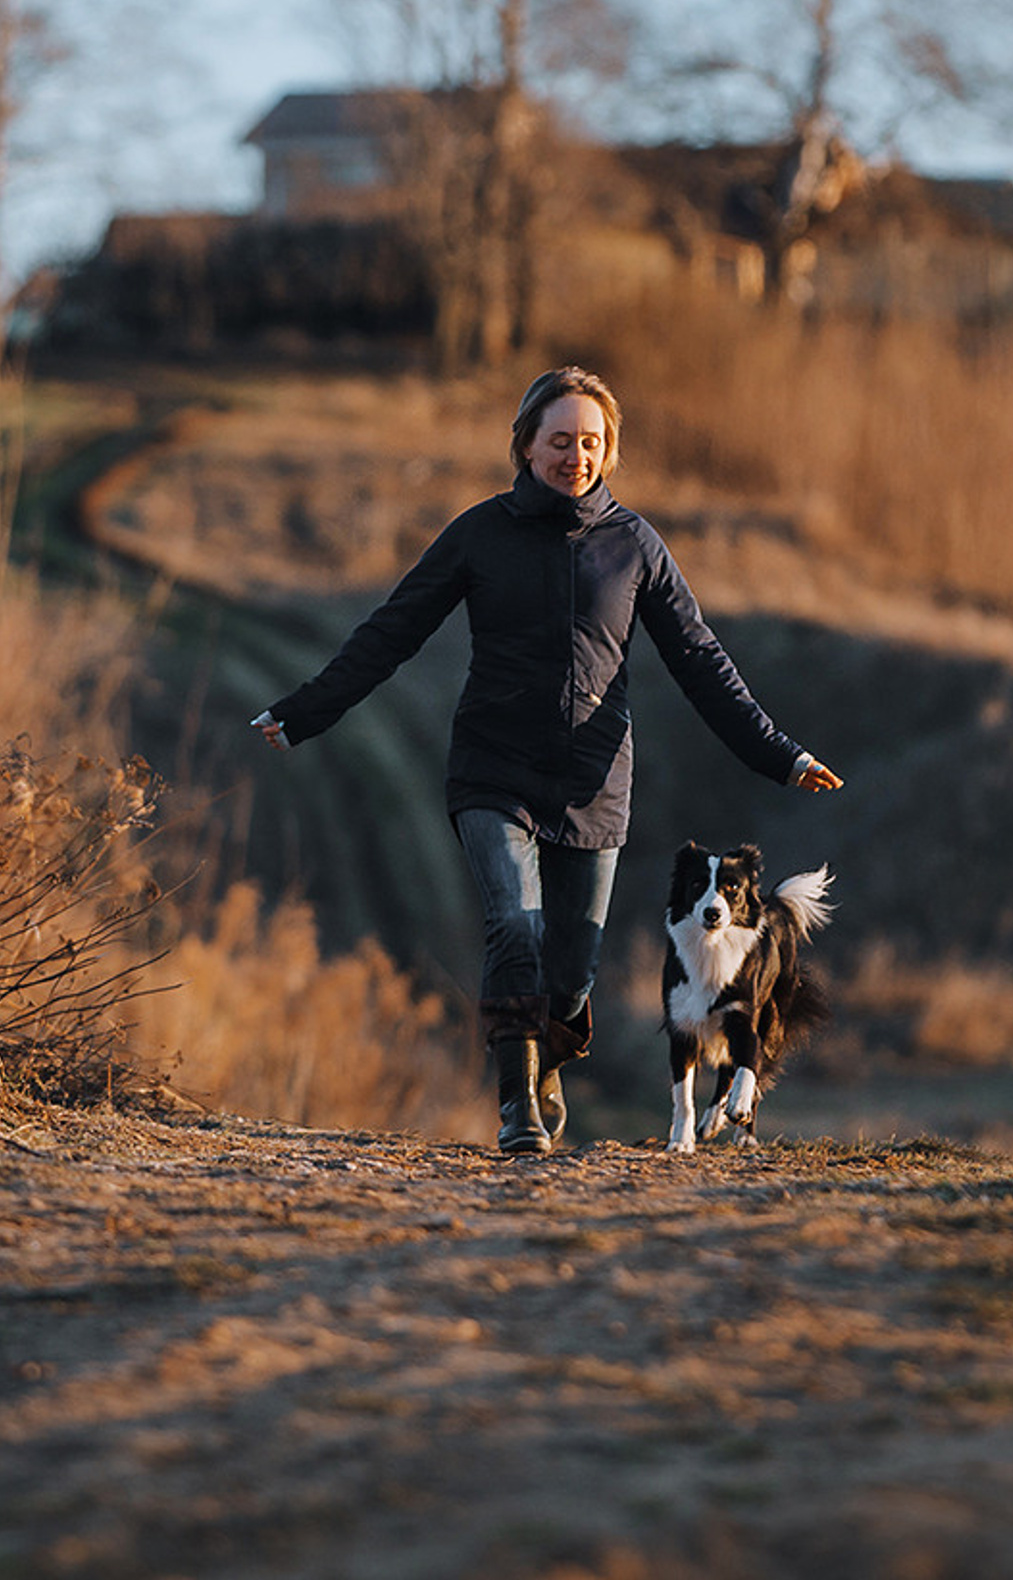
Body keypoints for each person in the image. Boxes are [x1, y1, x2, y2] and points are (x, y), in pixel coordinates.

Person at [252, 366, 842, 1155]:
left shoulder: (634, 545)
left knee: (569, 974)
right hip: (493, 770)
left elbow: (701, 660)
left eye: (592, 442)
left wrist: (781, 753)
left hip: (594, 784)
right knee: (515, 930)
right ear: (526, 445)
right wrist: (302, 712)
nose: (576, 456)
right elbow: (393, 630)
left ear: (610, 451)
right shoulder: (479, 534)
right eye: (559, 440)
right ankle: (517, 1107)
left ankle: (547, 1059)